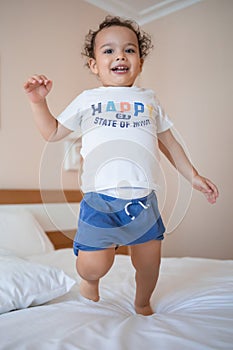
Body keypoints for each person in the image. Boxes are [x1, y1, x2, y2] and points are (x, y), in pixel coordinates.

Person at [24, 16, 219, 316]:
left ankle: (142, 301)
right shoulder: (88, 99)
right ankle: (89, 281)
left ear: (140, 63)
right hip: (100, 199)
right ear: (94, 65)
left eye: (129, 50)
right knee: (95, 264)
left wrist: (192, 175)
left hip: (144, 199)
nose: (120, 56)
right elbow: (52, 133)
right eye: (109, 51)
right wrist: (39, 103)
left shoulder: (149, 100)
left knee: (149, 263)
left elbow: (169, 142)